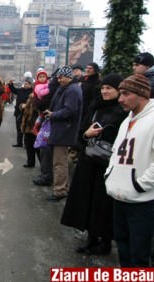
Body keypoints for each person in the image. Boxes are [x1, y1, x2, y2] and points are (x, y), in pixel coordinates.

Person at [61, 73, 127, 255]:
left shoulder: (123, 112)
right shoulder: (96, 107)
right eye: (103, 88)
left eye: (109, 88)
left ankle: (104, 242)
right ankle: (91, 238)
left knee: (102, 205)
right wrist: (86, 134)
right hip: (89, 160)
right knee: (87, 201)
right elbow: (82, 131)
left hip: (107, 165)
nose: (105, 91)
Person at [105, 74, 154, 267]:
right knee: (123, 251)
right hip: (119, 197)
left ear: (142, 95)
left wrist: (140, 185)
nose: (120, 98)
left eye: (126, 94)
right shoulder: (127, 120)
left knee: (139, 255)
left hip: (141, 203)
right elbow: (116, 152)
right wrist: (109, 176)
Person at [44, 66, 82, 201]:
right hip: (60, 130)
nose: (59, 80)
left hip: (64, 131)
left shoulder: (72, 90)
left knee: (60, 163)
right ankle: (61, 188)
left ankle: (59, 191)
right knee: (59, 162)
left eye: (61, 77)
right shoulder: (67, 87)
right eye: (58, 77)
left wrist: (53, 114)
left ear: (69, 77)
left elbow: (69, 110)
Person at [8, 77, 33, 147]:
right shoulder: (20, 90)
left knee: (26, 128)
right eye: (25, 84)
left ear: (31, 85)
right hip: (18, 112)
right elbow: (13, 89)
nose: (26, 85)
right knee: (19, 128)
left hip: (27, 113)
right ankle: (19, 143)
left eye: (27, 84)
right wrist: (11, 84)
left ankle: (26, 143)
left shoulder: (32, 92)